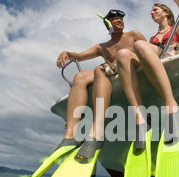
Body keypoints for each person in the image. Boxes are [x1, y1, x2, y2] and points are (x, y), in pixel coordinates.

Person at [56, 10, 146, 160]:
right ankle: (71, 134)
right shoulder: (101, 47)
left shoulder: (133, 35)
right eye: (114, 18)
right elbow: (78, 56)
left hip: (130, 68)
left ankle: (96, 133)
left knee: (101, 68)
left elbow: (147, 53)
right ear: (107, 24)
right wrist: (65, 52)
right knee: (79, 76)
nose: (119, 20)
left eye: (121, 18)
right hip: (110, 73)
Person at [116, 0, 179, 151]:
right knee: (123, 54)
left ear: (166, 12)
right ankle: (141, 119)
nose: (151, 13)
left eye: (155, 10)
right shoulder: (152, 39)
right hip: (155, 64)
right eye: (150, 11)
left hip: (170, 60)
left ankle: (171, 105)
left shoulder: (177, 28)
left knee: (138, 44)